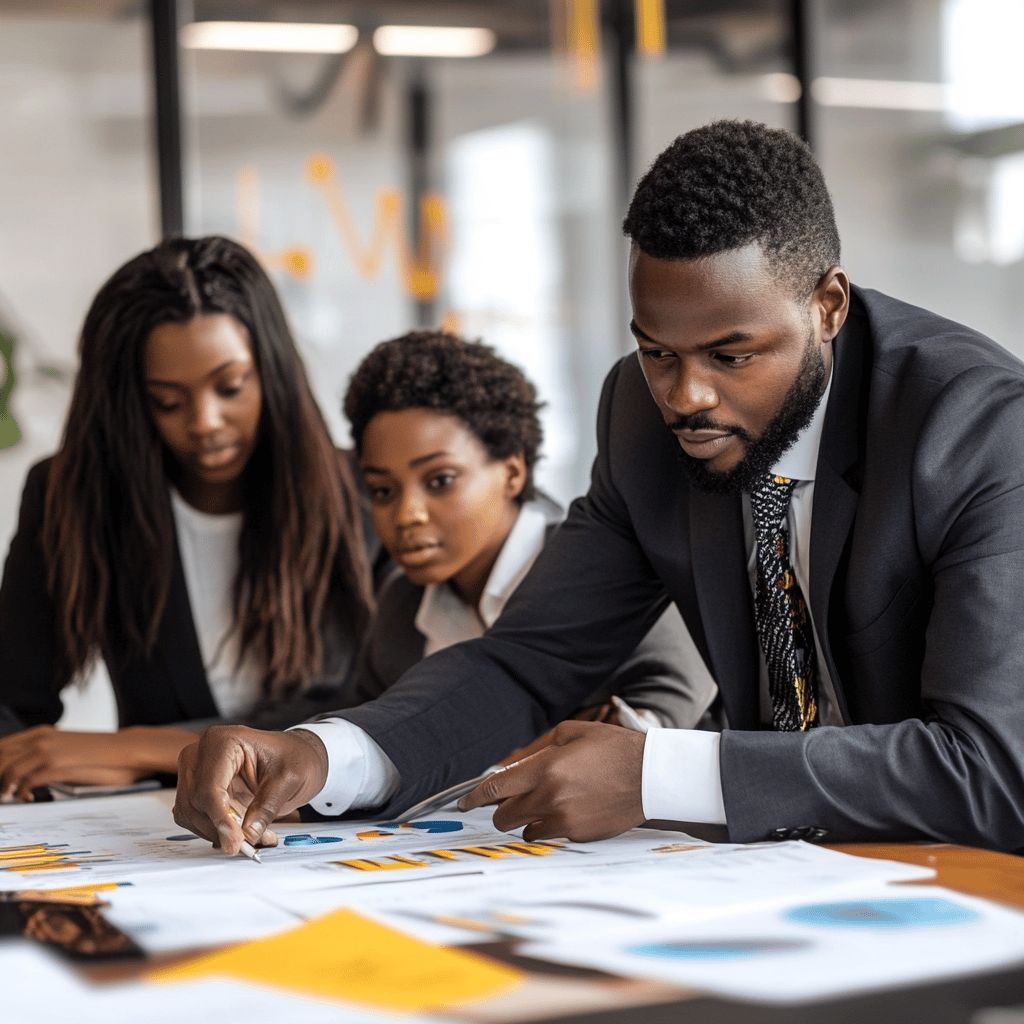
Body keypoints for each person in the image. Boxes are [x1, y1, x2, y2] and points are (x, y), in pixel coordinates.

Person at [173, 120, 1024, 854]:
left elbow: (991, 770)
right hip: (776, 877)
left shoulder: (975, 425)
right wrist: (321, 755)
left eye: (731, 355)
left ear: (828, 306)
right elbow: (530, 658)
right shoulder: (638, 417)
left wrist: (659, 773)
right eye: (658, 351)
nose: (685, 397)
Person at [0, 235, 376, 800]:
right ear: (130, 402)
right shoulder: (72, 495)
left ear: (270, 373)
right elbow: (12, 705)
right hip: (150, 826)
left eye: (230, 387)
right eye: (168, 401)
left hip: (326, 818)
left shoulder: (368, 493)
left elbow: (375, 705)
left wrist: (139, 748)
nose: (205, 422)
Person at [338, 329, 715, 737]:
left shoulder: (600, 567)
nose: (406, 514)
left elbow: (672, 698)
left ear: (513, 471)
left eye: (440, 480)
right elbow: (367, 731)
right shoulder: (400, 611)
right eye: (382, 491)